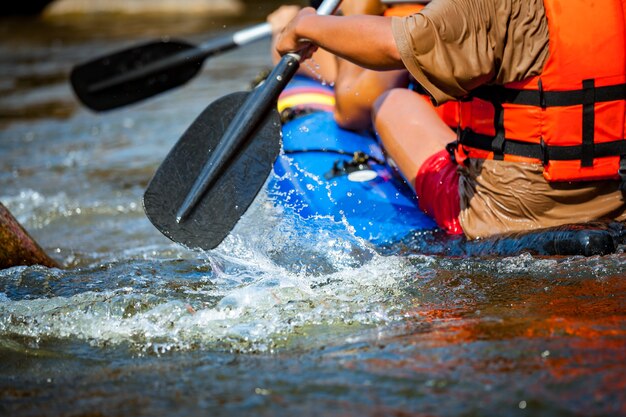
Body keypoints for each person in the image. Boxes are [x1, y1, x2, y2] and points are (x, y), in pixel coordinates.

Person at [274, 0, 626, 239]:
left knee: (393, 101)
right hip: (615, 201)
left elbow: (393, 47)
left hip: (502, 216)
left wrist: (309, 25)